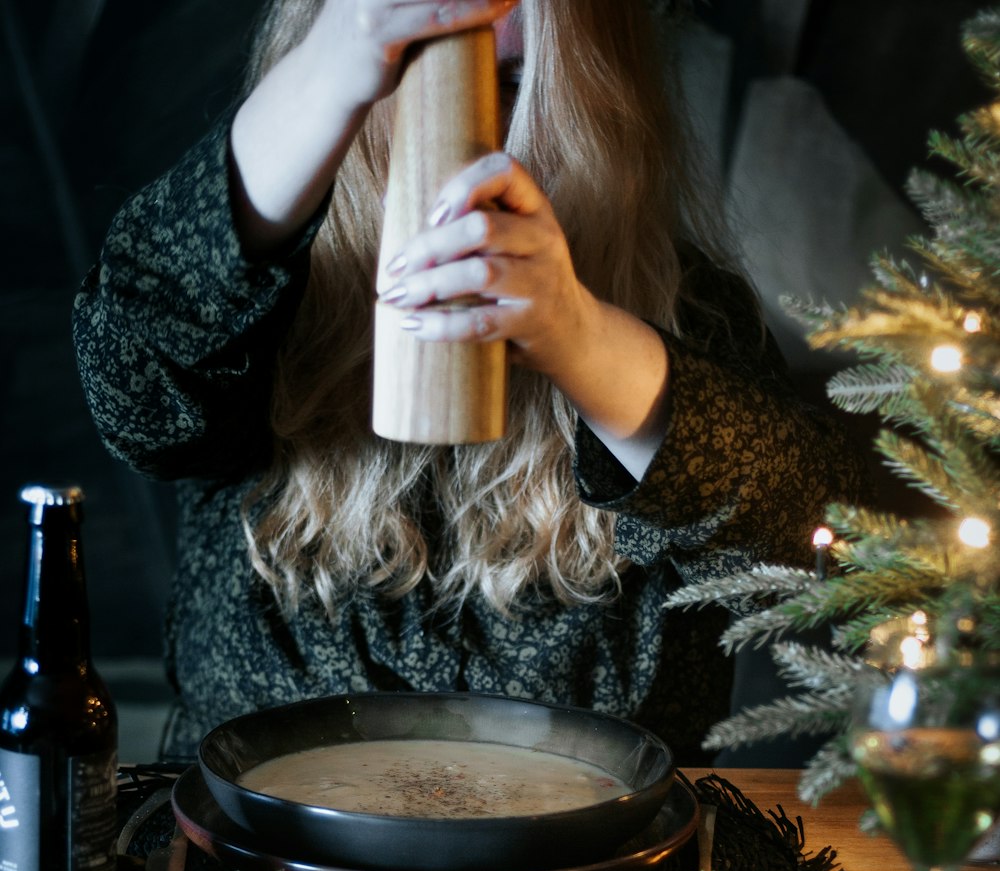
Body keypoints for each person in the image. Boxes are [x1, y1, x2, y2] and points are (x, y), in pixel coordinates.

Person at [73, 0, 869, 766]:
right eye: (411, 75)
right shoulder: (256, 293)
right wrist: (338, 57)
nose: (469, 144)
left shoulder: (684, 308)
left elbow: (819, 561)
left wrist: (581, 338)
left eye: (517, 84)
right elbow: (130, 384)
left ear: (590, 103)